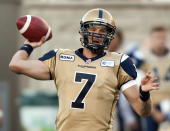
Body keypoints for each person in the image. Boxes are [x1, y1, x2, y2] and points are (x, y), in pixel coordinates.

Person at [9, 8, 159, 131]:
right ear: (83, 31)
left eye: (102, 31)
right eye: (92, 28)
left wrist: (144, 94)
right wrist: (29, 45)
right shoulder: (60, 57)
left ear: (109, 35)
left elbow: (142, 111)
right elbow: (16, 65)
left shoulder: (119, 62)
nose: (96, 34)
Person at [141, 26, 170, 131]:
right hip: (152, 105)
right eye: (157, 37)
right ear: (151, 39)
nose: (160, 40)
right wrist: (153, 111)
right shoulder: (144, 60)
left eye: (163, 37)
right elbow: (138, 88)